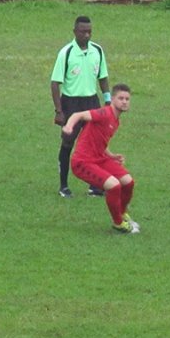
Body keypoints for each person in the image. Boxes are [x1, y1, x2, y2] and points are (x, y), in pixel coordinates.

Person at [61, 83, 138, 234]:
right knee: (114, 186)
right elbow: (78, 115)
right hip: (82, 162)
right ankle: (118, 223)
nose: (124, 101)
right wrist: (69, 127)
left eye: (127, 99)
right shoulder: (104, 113)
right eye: (121, 98)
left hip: (100, 158)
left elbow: (100, 140)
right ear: (113, 99)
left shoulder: (116, 120)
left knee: (128, 182)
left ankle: (121, 213)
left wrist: (111, 156)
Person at [51, 15, 110, 198]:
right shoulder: (66, 53)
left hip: (92, 102)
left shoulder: (97, 51)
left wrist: (107, 101)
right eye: (83, 31)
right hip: (71, 103)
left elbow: (103, 77)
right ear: (75, 32)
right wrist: (59, 111)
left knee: (93, 144)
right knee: (68, 142)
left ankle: (95, 186)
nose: (87, 35)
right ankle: (63, 186)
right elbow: (55, 83)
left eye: (89, 31)